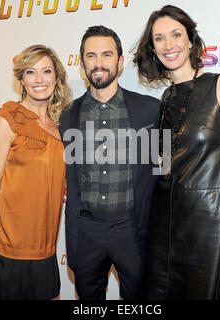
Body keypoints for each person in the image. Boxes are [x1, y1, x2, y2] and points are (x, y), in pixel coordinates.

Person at [133, 5, 220, 300]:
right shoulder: (164, 97)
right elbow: (162, 165)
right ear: (153, 47)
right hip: (163, 223)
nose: (169, 45)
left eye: (176, 35)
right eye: (159, 38)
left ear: (190, 40)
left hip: (208, 222)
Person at [58, 25, 160, 300]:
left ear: (120, 61)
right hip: (86, 231)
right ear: (82, 64)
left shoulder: (149, 110)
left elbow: (167, 168)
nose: (99, 63)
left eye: (106, 54)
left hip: (133, 228)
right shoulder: (66, 116)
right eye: (91, 56)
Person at [0, 45, 71, 300]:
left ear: (56, 78)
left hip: (45, 250)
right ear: (22, 79)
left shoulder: (62, 126)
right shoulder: (8, 119)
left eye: (46, 71)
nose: (39, 79)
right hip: (9, 250)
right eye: (31, 72)